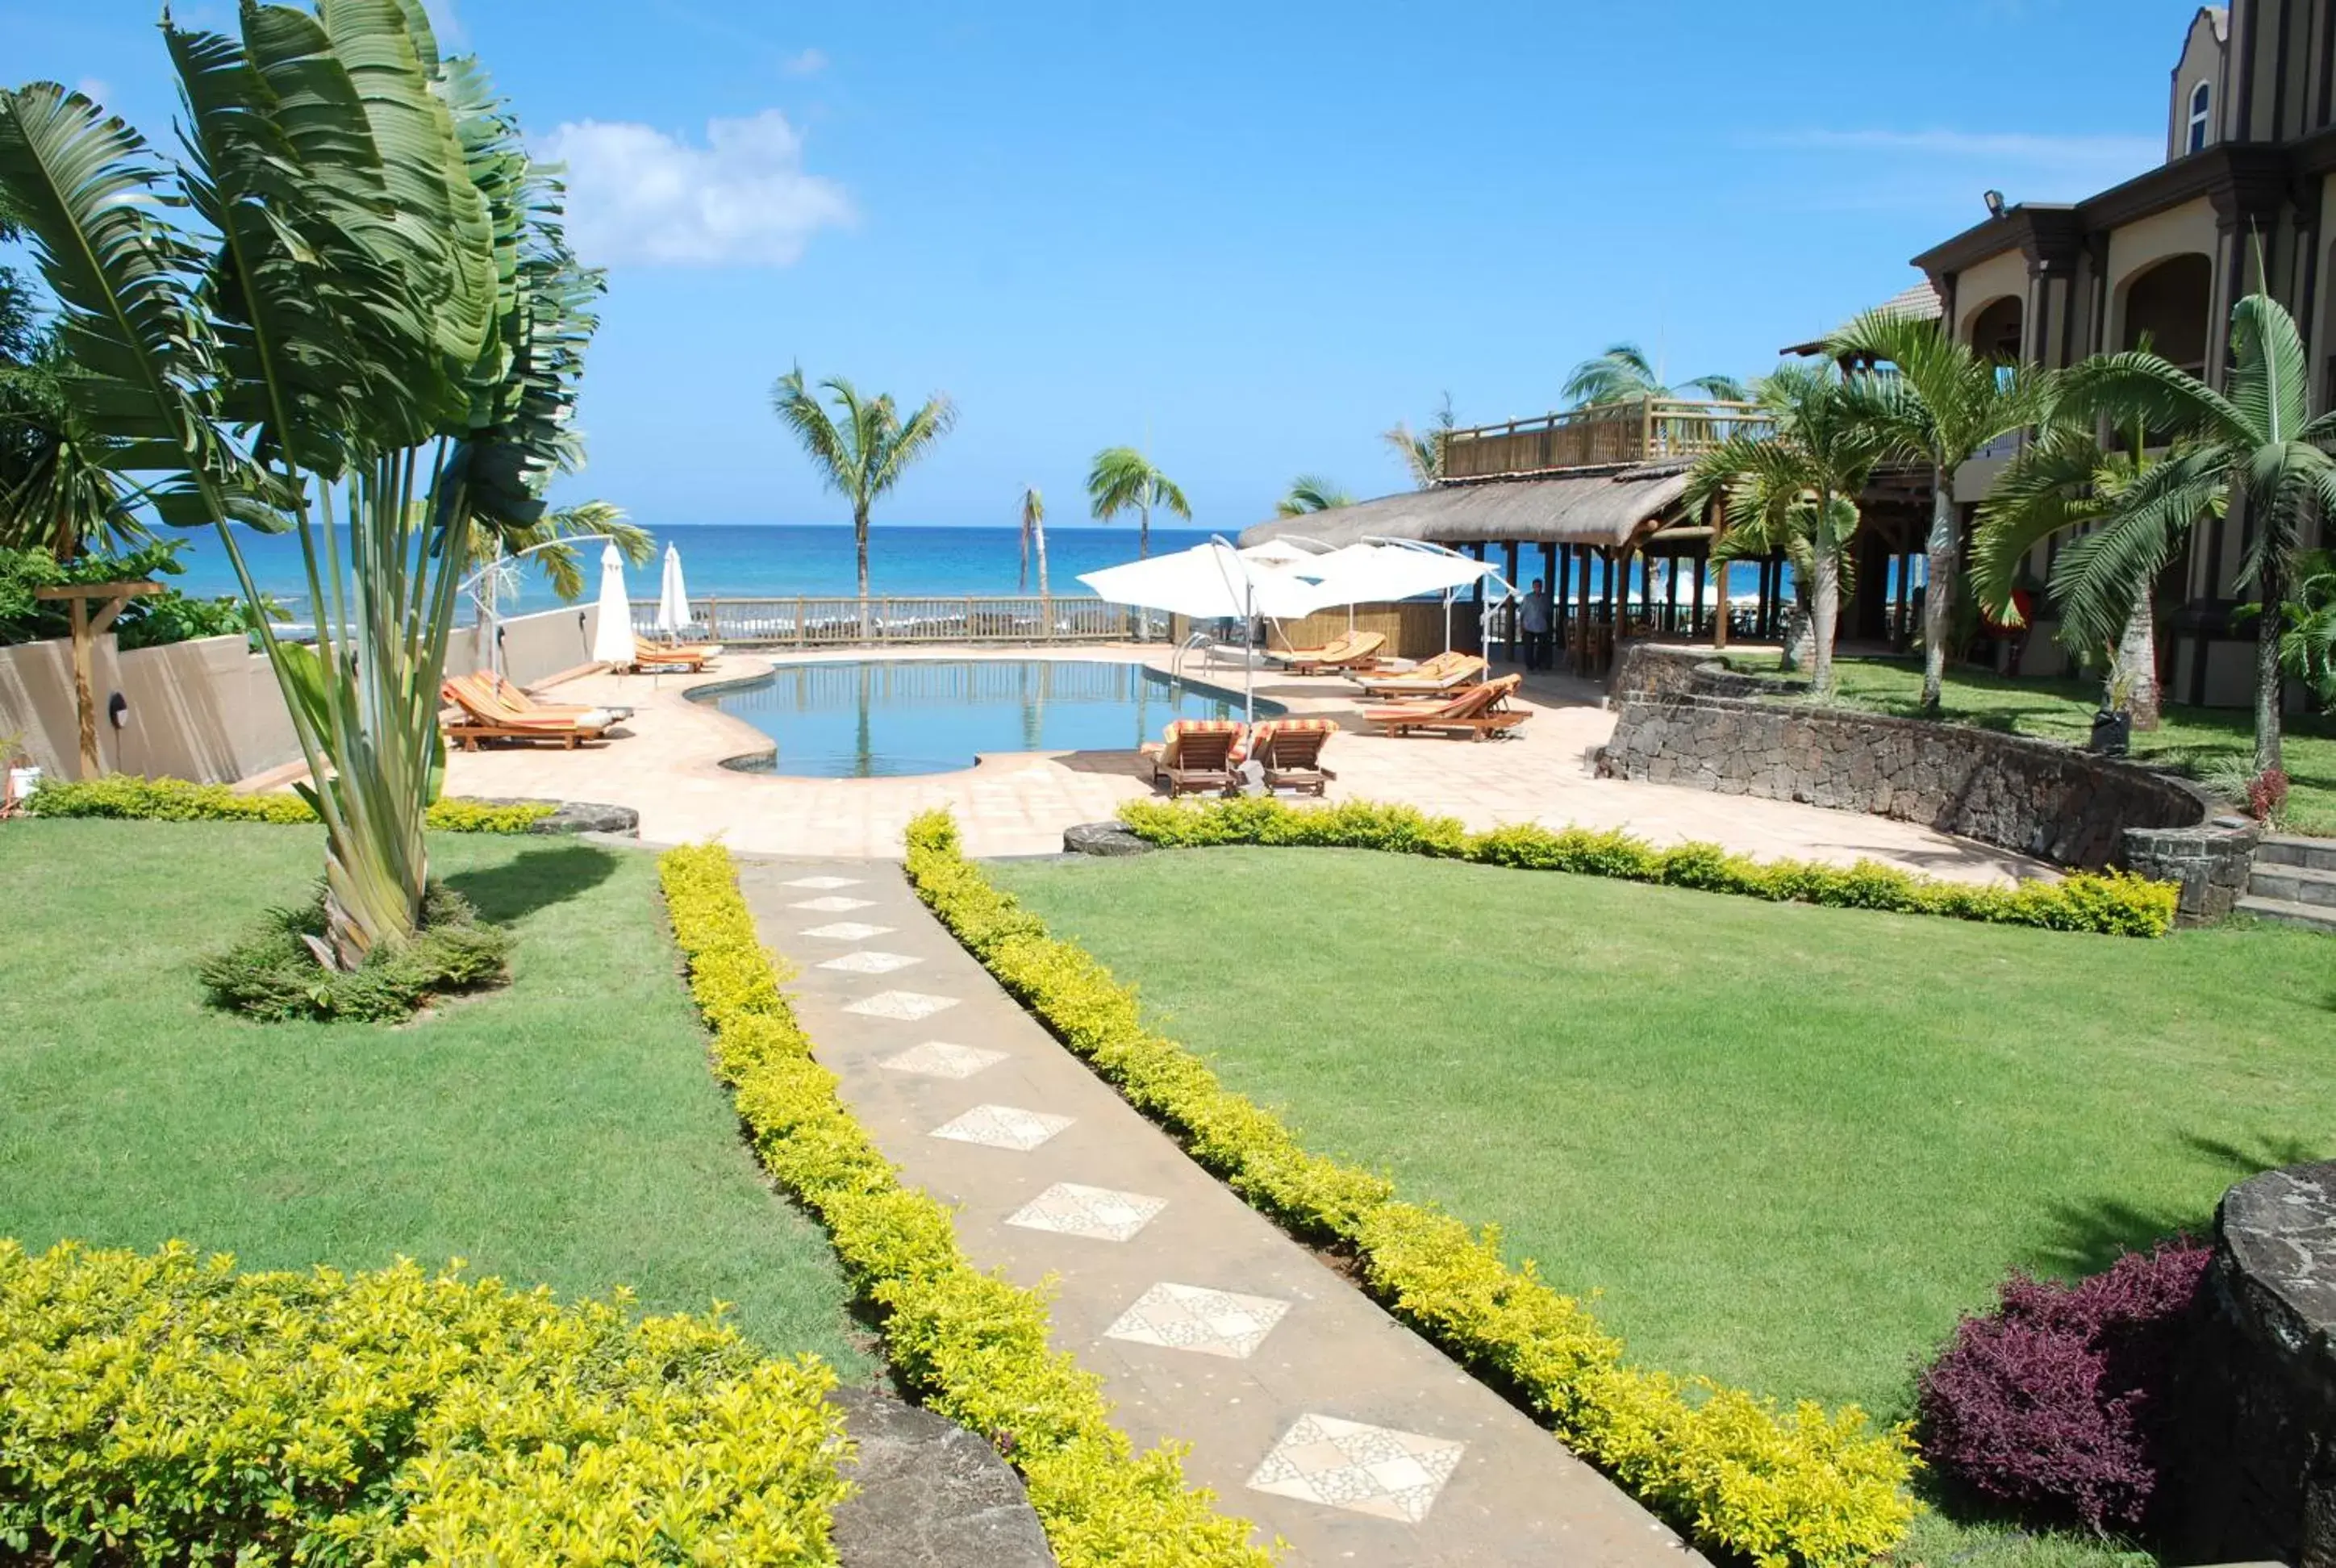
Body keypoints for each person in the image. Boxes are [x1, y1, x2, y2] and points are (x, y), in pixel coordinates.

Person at [1520, 577, 1554, 670]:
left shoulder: (1545, 598)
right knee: (1528, 648)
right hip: (1529, 626)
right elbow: (1522, 611)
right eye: (1536, 586)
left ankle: (1538, 664)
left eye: (1539, 586)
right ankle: (1530, 666)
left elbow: (1548, 612)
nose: (1538, 588)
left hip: (1542, 626)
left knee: (1541, 647)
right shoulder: (1528, 597)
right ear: (1533, 587)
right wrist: (1521, 625)